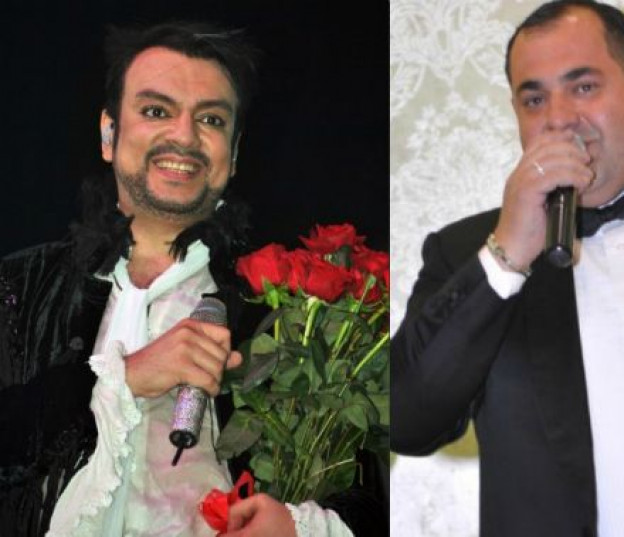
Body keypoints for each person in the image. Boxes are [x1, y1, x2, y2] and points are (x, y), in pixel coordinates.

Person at [390, 1, 624, 536]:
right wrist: (507, 255)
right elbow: (407, 420)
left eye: (584, 87)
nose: (558, 118)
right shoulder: (464, 254)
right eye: (534, 99)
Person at [0, 22, 385, 537]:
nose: (184, 136)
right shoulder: (20, 284)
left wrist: (297, 527)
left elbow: (373, 494)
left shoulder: (288, 308)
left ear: (234, 152)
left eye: (210, 119)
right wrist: (124, 378)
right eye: (156, 111)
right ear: (109, 134)